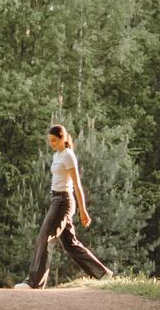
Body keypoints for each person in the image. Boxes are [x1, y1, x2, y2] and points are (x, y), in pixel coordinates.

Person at [19, 123, 112, 288]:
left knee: (45, 239)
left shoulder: (68, 155)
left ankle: (34, 283)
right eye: (50, 141)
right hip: (56, 199)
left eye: (54, 140)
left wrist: (83, 211)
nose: (51, 144)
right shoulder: (58, 155)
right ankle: (102, 274)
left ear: (63, 138)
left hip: (63, 201)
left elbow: (77, 185)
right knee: (70, 244)